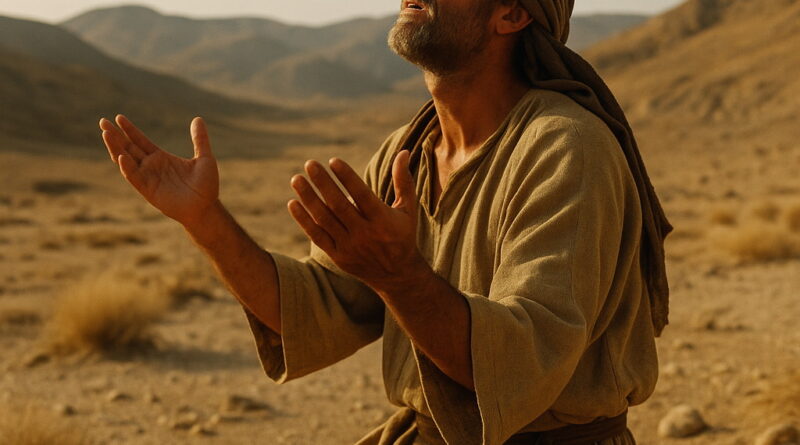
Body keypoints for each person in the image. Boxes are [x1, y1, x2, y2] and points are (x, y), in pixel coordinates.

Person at [98, 0, 673, 443]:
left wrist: (401, 276)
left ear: (513, 13)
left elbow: (520, 362)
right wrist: (205, 221)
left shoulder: (567, 148)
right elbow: (318, 306)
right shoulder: (410, 148)